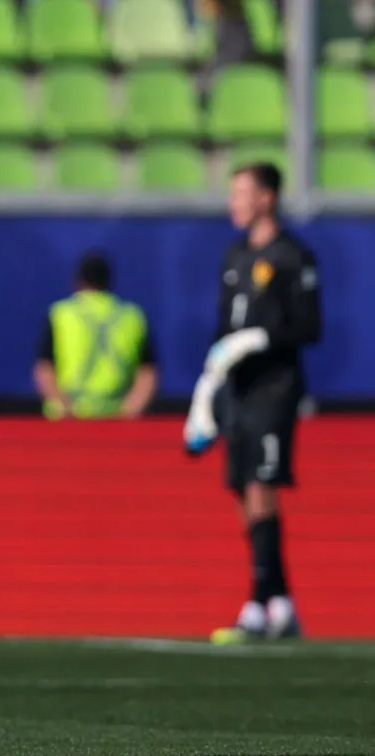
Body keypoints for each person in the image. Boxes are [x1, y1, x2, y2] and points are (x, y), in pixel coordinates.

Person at [183, 162, 321, 644]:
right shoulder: (234, 255)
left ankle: (256, 605)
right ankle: (280, 600)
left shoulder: (292, 256)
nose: (233, 202)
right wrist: (206, 392)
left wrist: (258, 339)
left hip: (274, 387)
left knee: (263, 487)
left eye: (241, 193)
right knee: (242, 489)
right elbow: (224, 331)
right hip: (238, 390)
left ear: (266, 198)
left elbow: (308, 328)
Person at [33, 253, 158, 420]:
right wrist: (129, 411)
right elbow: (147, 373)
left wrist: (63, 407)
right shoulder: (132, 316)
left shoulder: (61, 313)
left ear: (77, 282)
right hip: (117, 416)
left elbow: (44, 367)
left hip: (67, 418)